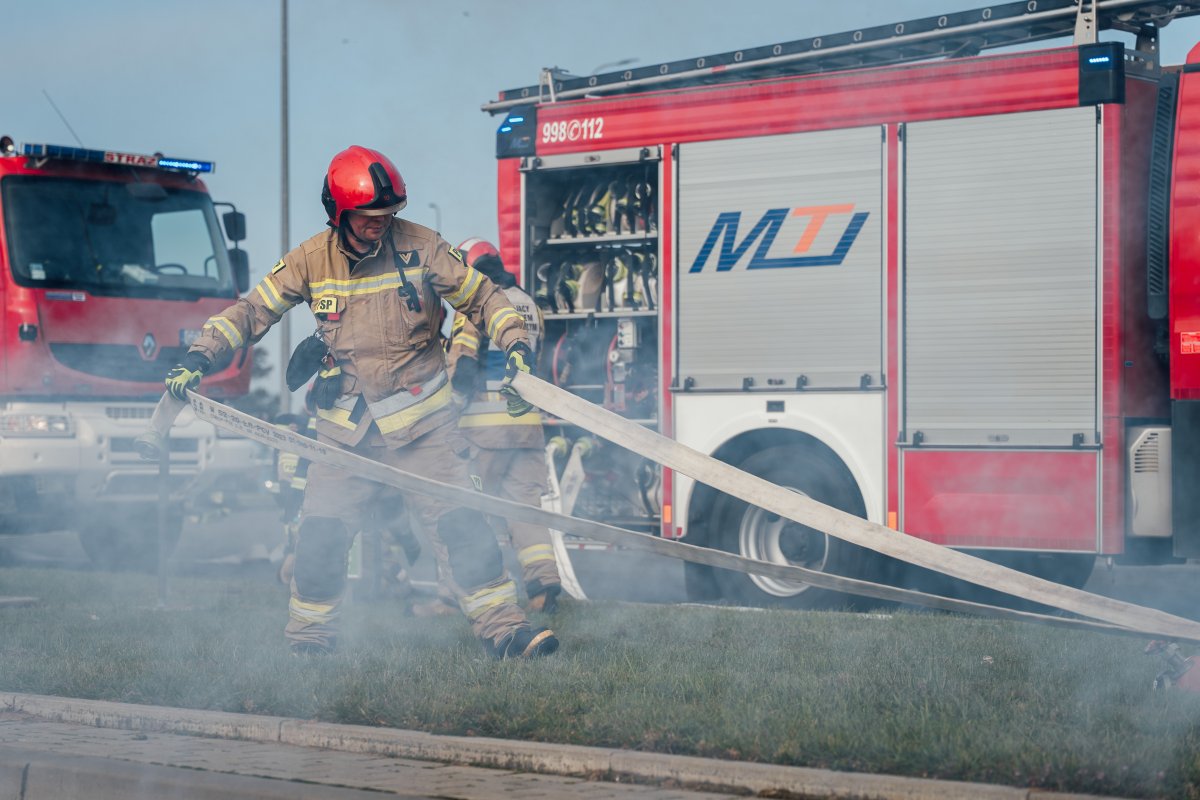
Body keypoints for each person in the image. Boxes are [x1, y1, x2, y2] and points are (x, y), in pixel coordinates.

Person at [162, 145, 556, 660]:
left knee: (464, 531)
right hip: (345, 435)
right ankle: (309, 644)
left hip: (425, 431)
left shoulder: (424, 246)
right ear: (339, 213)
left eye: (388, 215)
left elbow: (482, 298)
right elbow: (252, 311)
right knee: (321, 542)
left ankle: (506, 632)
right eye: (370, 218)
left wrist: (515, 343)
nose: (381, 225)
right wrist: (200, 356)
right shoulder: (308, 259)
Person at [445, 237, 564, 614]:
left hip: (484, 429)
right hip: (527, 425)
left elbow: (463, 368)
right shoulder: (529, 304)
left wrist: (446, 416)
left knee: (467, 509)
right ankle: (543, 584)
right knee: (524, 508)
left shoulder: (476, 303)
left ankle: (454, 596)